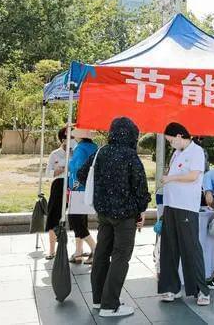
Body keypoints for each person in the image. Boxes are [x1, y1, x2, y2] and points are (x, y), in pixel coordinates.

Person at [77, 117, 150, 318]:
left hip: (103, 214)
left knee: (101, 253)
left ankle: (98, 300)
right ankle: (110, 305)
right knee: (120, 257)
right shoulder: (130, 156)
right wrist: (140, 210)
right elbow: (141, 189)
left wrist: (103, 189)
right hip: (125, 216)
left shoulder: (100, 152)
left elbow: (82, 175)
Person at [158, 122, 210, 306]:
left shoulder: (196, 152)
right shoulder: (177, 153)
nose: (170, 144)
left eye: (171, 140)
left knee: (190, 248)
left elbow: (193, 176)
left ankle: (201, 291)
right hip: (171, 205)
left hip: (187, 206)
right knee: (169, 248)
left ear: (180, 136)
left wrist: (170, 178)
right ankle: (171, 288)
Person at [67, 127, 98, 265]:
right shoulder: (94, 147)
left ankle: (94, 247)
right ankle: (78, 251)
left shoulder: (80, 149)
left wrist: (69, 163)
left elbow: (77, 167)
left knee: (74, 220)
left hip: (78, 187)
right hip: (89, 188)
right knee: (81, 219)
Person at [44, 127, 69, 260]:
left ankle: (79, 250)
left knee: (77, 217)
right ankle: (52, 250)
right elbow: (47, 173)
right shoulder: (55, 154)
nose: (71, 140)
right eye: (68, 137)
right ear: (62, 139)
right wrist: (56, 171)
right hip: (58, 186)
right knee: (53, 216)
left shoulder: (76, 153)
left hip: (72, 186)